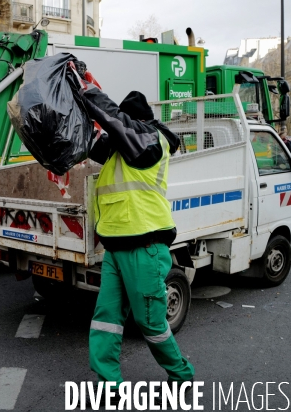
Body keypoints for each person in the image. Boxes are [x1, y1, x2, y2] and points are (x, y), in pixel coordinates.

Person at [80, 84, 194, 395]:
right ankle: (109, 386)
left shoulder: (149, 141)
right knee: (106, 320)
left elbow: (114, 120)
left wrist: (87, 91)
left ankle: (182, 376)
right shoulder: (123, 148)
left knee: (151, 324)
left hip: (144, 247)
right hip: (117, 248)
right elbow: (88, 141)